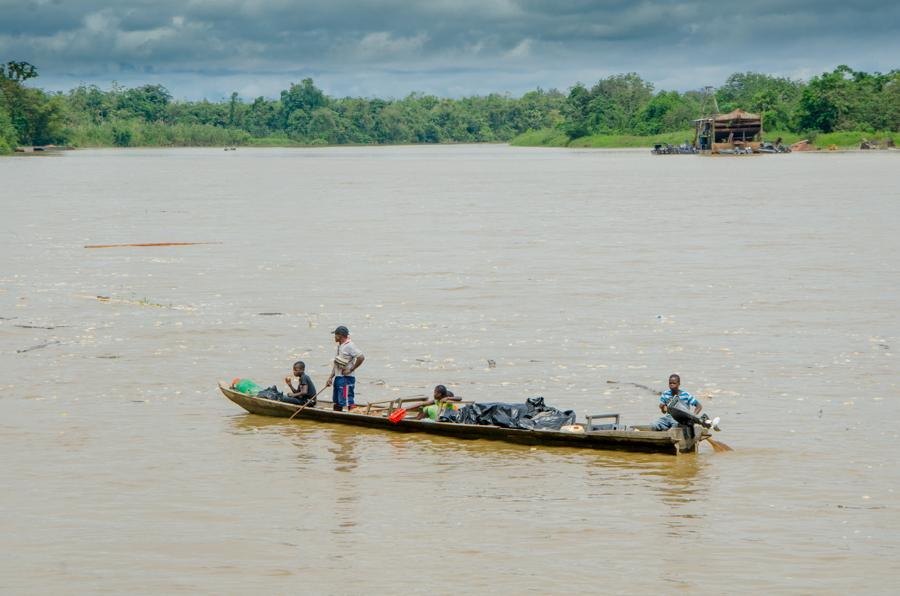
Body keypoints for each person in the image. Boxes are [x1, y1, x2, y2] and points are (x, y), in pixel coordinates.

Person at [325, 325, 365, 411]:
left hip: (347, 378)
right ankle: (336, 419)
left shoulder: (350, 345)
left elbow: (361, 357)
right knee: (337, 401)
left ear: (340, 335)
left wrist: (351, 369)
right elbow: (337, 363)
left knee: (348, 401)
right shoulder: (340, 346)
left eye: (335, 335)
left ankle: (353, 417)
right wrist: (330, 377)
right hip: (338, 377)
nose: (334, 337)